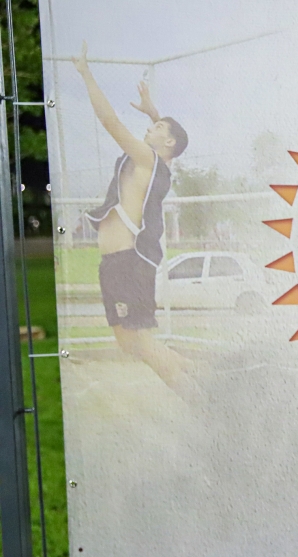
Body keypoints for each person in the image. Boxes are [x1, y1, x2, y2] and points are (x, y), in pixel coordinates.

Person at [72, 41, 198, 399]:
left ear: (167, 141)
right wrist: (153, 113)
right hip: (117, 264)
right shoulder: (157, 164)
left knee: (140, 344)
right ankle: (197, 372)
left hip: (127, 263)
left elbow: (110, 121)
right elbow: (169, 142)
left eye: (157, 126)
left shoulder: (148, 160)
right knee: (129, 343)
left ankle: (201, 400)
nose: (151, 127)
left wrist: (86, 73)